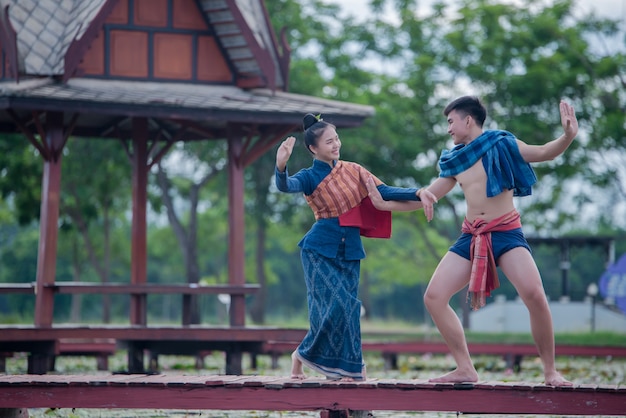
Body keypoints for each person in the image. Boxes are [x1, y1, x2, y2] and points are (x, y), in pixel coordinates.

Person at [366, 96, 578, 386]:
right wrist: (385, 205)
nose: (449, 129)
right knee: (434, 297)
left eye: (451, 121)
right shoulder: (455, 159)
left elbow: (544, 152)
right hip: (471, 235)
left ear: (468, 120)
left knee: (535, 294)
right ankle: (465, 368)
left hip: (505, 232)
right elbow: (429, 195)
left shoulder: (503, 143)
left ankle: (551, 372)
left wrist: (567, 135)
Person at [275, 113, 435, 381]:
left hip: (350, 249)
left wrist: (418, 192)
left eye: (336, 139)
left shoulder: (354, 170)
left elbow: (385, 191)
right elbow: (286, 186)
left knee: (348, 308)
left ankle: (350, 367)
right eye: (329, 142)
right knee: (334, 306)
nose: (336, 144)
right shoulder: (308, 176)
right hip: (318, 250)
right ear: (314, 149)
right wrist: (281, 167)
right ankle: (306, 356)